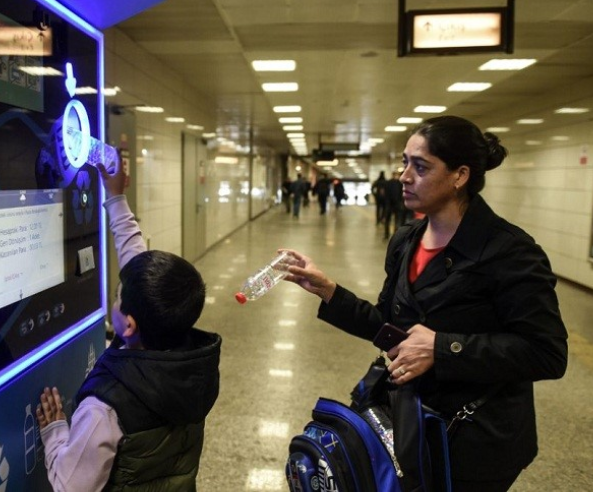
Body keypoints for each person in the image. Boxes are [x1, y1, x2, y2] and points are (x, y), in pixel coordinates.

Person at [282, 115, 568, 492]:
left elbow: (547, 352)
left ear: (459, 175)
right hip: (413, 425)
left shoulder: (510, 251)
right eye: (405, 163)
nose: (404, 176)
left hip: (476, 440)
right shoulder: (407, 240)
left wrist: (442, 348)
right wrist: (330, 292)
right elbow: (389, 330)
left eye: (420, 166)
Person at [36, 163, 222, 491]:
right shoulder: (192, 358)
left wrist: (55, 433)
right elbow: (135, 262)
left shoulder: (104, 408)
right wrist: (116, 197)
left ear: (130, 324)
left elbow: (71, 486)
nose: (116, 298)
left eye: (119, 297)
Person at [383, 169, 410, 239]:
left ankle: (389, 234)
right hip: (394, 204)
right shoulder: (399, 183)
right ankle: (392, 234)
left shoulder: (390, 183)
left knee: (393, 220)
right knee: (395, 220)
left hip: (392, 204)